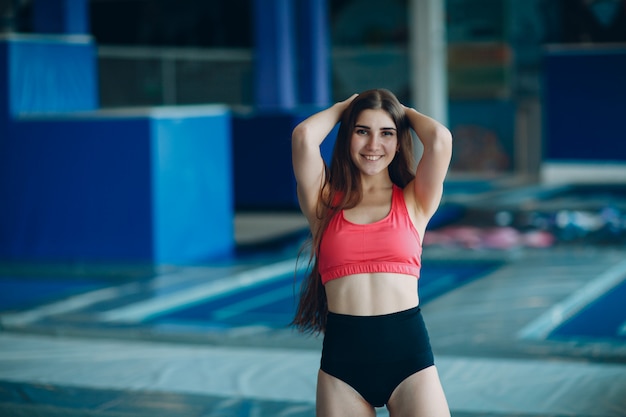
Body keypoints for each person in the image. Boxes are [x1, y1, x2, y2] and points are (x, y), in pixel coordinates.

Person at [291, 88, 452, 416]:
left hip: (409, 362)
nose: (373, 145)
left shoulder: (414, 201)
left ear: (398, 139)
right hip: (343, 367)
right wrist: (344, 107)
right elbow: (304, 136)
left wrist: (400, 109)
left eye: (386, 134)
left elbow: (439, 138)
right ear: (347, 134)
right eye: (362, 131)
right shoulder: (323, 204)